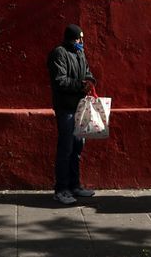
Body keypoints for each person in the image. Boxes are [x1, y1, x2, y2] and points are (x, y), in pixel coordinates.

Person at [47, 24, 97, 205]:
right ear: (70, 38)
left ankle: (75, 186)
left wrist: (90, 80)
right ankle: (61, 190)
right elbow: (60, 80)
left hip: (80, 107)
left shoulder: (79, 53)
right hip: (66, 108)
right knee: (66, 149)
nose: (81, 42)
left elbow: (87, 71)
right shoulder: (59, 54)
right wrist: (79, 84)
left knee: (77, 148)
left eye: (82, 39)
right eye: (78, 39)